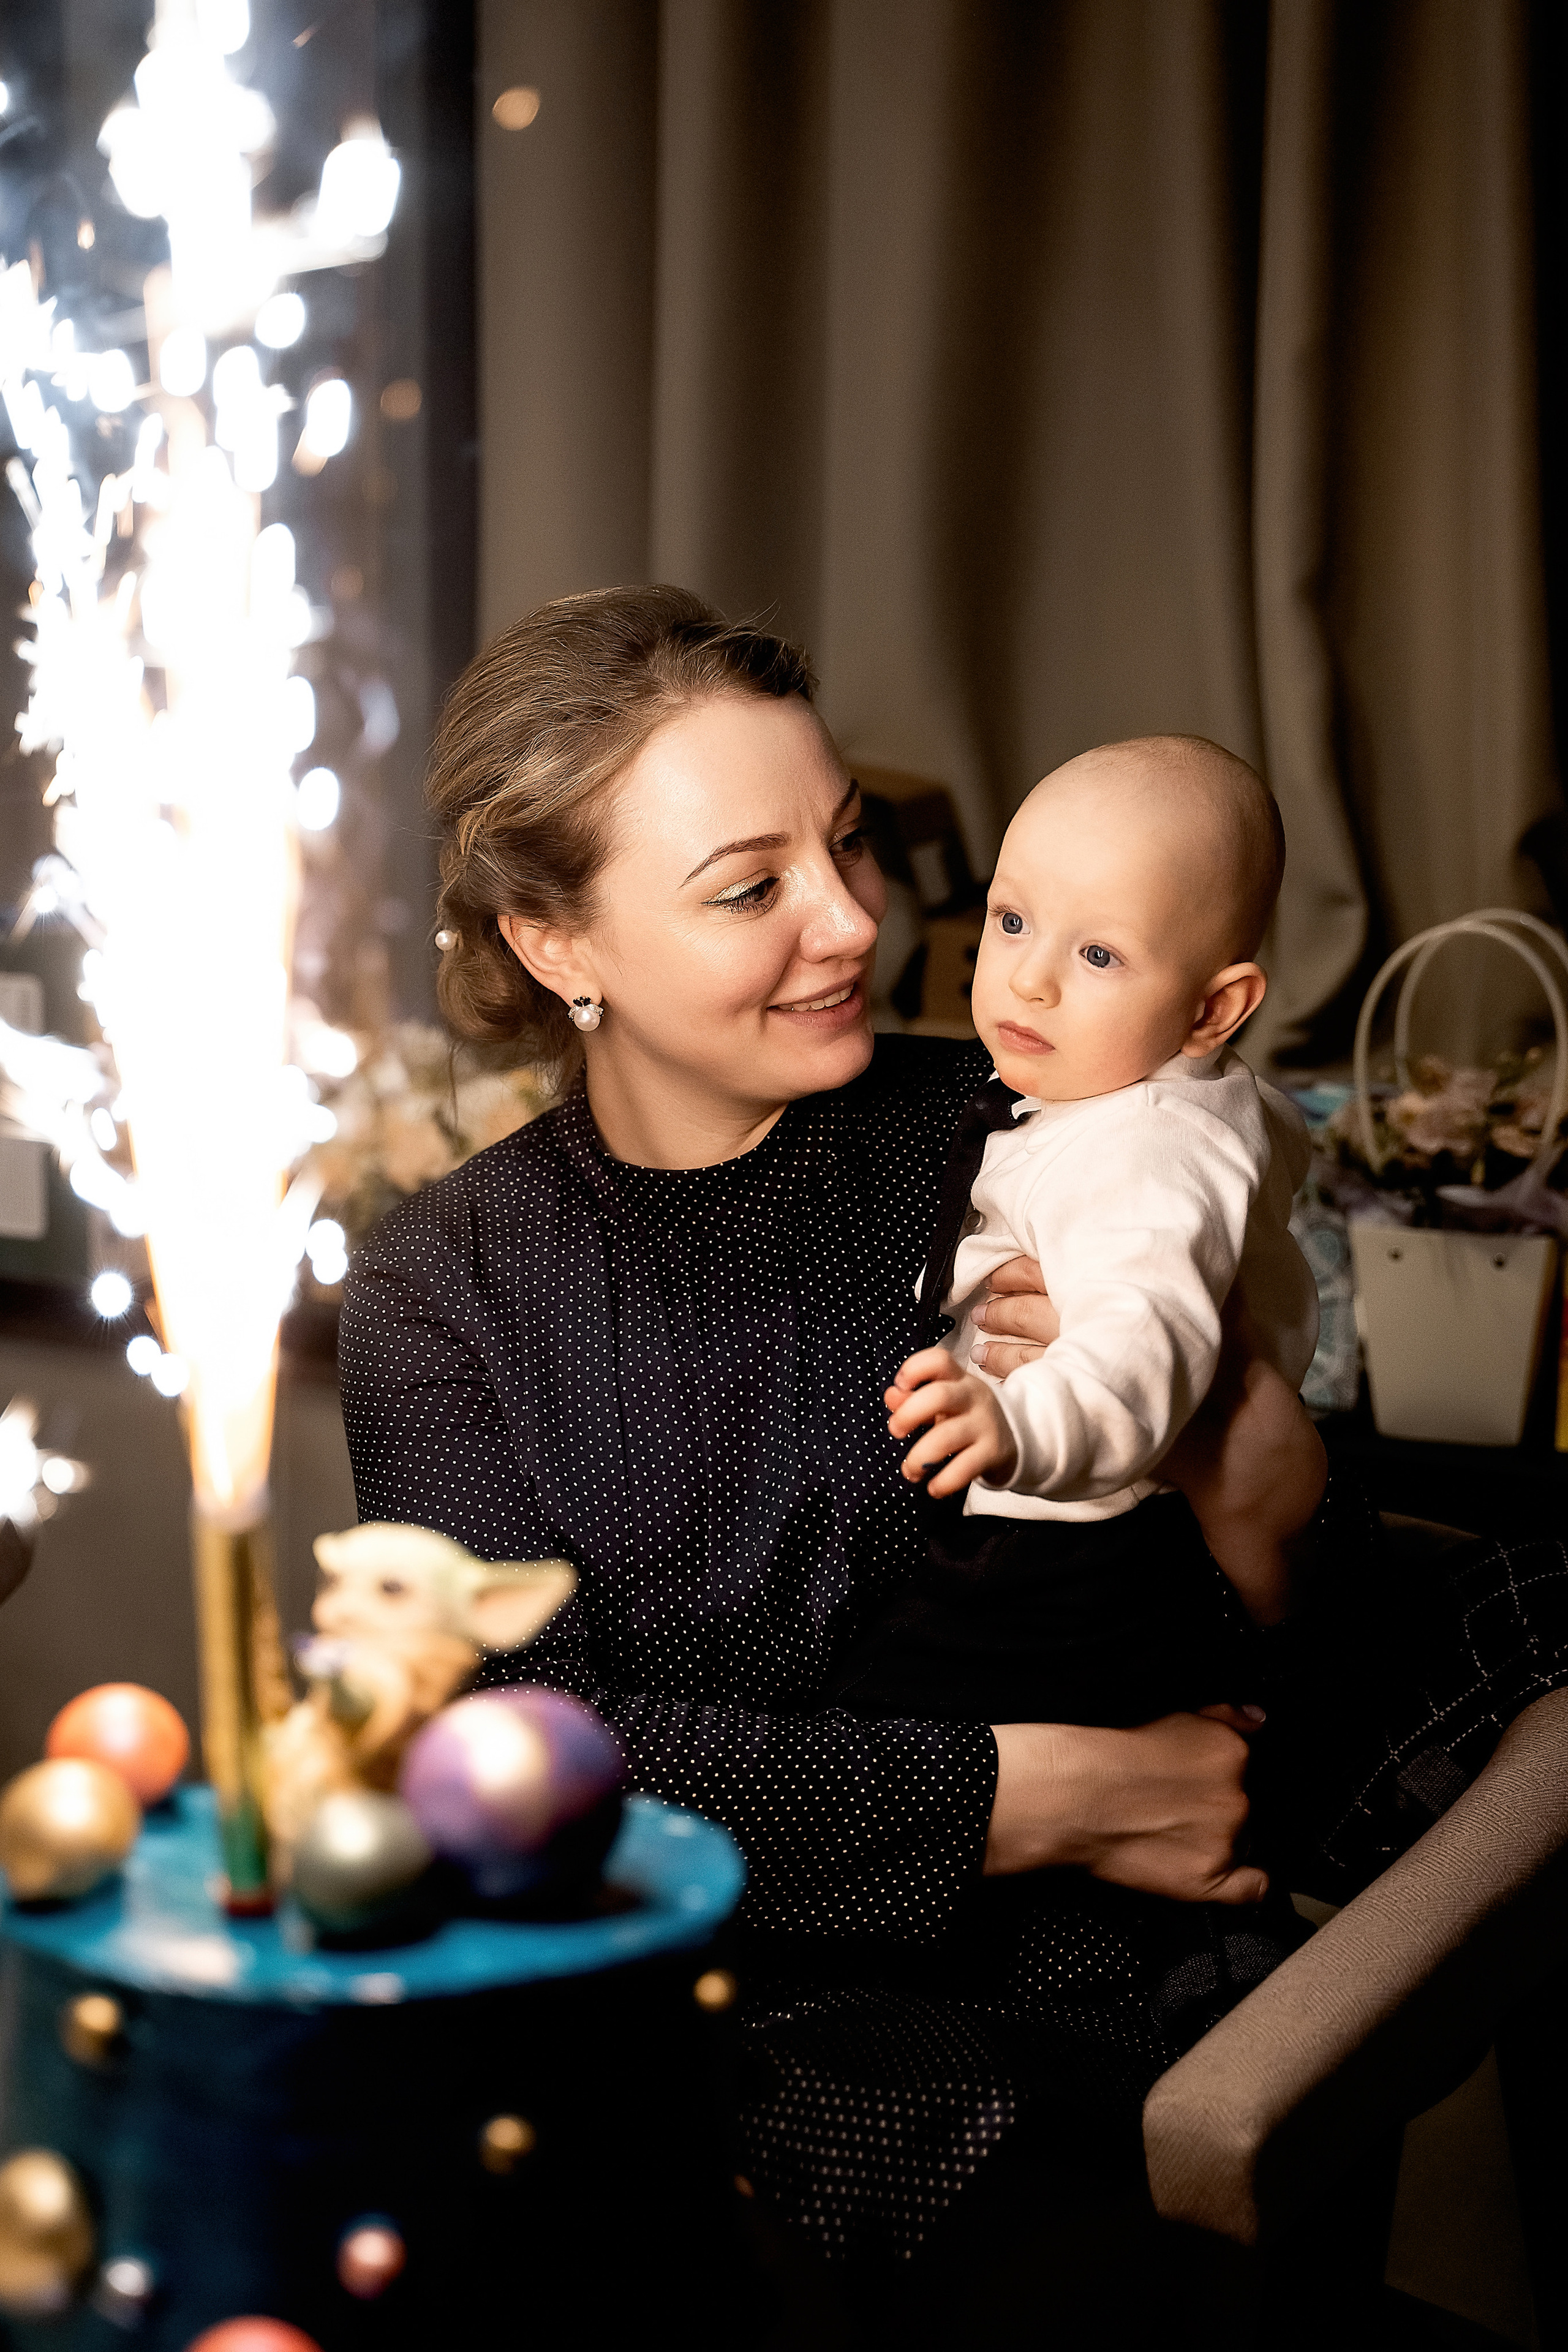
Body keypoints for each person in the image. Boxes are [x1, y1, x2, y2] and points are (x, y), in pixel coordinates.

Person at [338, 585, 1568, 2298]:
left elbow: (1314, 1644)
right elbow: (512, 1769)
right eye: (751, 887)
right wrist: (1035, 1792)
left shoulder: (1027, 1124)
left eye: (848, 846)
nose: (853, 922)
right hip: (692, 2017)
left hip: (1097, 1988)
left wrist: (1249, 1467)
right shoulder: (440, 1288)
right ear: (561, 948)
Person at [836, 736, 1325, 1736]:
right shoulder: (1126, 1099)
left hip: (1071, 1546)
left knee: (897, 1699)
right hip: (1095, 1531)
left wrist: (1018, 1427)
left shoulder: (1148, 1150)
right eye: (1012, 921)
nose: (1030, 982)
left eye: (1098, 953)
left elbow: (1137, 1357)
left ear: (1211, 1009)